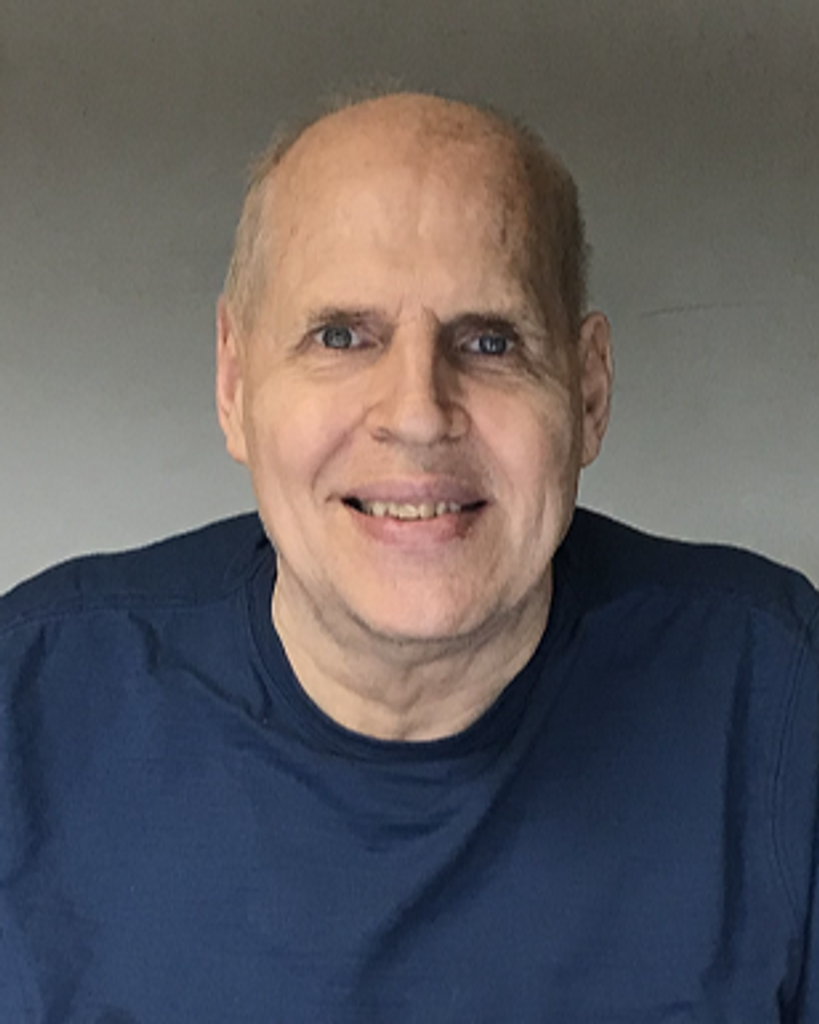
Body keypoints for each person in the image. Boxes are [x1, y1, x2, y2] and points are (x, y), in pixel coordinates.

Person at [1, 92, 817, 1023]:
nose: (418, 414)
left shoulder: (778, 702)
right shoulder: (27, 708)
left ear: (587, 391)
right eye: (341, 337)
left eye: (489, 341)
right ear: (234, 381)